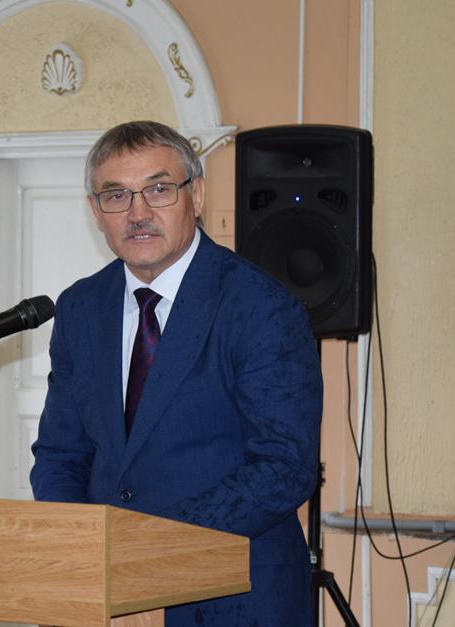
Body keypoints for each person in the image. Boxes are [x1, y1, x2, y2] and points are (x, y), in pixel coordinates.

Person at [30, 121, 323, 626]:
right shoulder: (80, 307)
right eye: (116, 195)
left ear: (197, 195)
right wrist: (80, 548)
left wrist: (147, 544)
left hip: (234, 596)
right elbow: (61, 453)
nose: (138, 213)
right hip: (104, 593)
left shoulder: (259, 306)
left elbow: (284, 466)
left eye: (159, 189)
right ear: (95, 211)